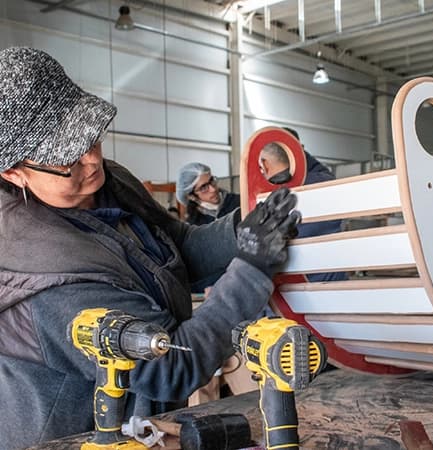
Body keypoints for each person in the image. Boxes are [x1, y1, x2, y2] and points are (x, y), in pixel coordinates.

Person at [0, 47, 300, 450]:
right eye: (65, 158)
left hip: (142, 425)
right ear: (13, 171)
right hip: (70, 439)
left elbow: (178, 250)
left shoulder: (106, 184)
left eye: (91, 138)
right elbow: (170, 366)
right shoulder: (39, 271)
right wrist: (252, 269)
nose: (90, 161)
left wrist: (245, 230)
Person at [259, 127, 347, 282]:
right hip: (334, 286)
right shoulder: (327, 184)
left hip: (290, 294)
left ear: (265, 164)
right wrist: (298, 153)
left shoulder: (267, 198)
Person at [176, 162, 240, 226]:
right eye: (203, 187)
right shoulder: (195, 225)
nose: (213, 189)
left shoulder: (238, 202)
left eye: (211, 180)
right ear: (191, 196)